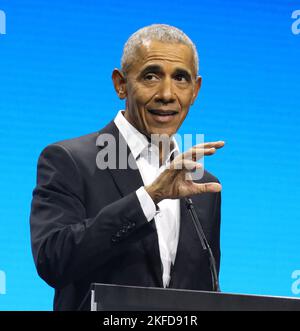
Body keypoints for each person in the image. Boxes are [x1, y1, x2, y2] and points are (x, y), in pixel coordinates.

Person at [30, 24, 225, 311]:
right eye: (151, 76)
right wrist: (148, 198)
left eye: (180, 78)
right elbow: (53, 262)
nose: (167, 94)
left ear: (195, 90)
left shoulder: (203, 186)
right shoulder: (69, 160)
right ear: (121, 84)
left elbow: (204, 291)